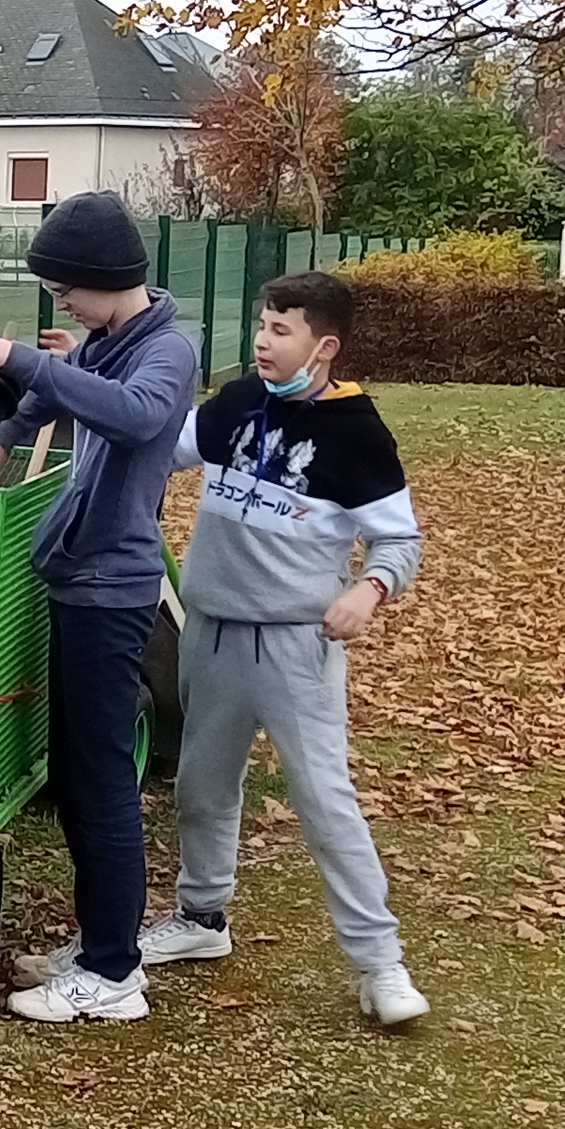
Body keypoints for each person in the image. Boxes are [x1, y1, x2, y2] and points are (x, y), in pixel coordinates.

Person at [0, 193, 204, 1024]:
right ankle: (98, 944)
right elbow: (65, 389)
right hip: (80, 580)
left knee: (100, 781)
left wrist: (22, 357)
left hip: (111, 591)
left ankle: (114, 975)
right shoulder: (111, 340)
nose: (63, 306)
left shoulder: (166, 353)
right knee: (81, 777)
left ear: (103, 279)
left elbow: (132, 415)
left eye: (65, 290)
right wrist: (7, 433)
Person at [140, 271, 429, 1027]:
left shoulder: (356, 431)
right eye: (263, 326)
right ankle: (201, 920)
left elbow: (399, 538)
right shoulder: (235, 404)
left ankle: (381, 965)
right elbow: (158, 446)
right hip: (210, 632)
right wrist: (99, 376)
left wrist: (368, 592)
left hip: (297, 648)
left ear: (324, 346)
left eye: (282, 330)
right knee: (202, 786)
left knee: (325, 804)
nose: (264, 342)